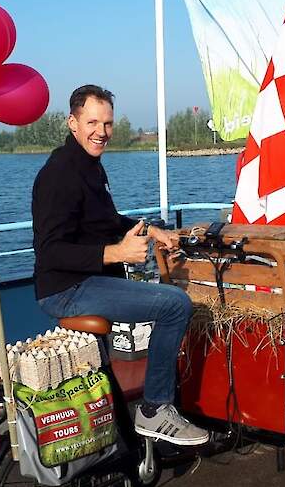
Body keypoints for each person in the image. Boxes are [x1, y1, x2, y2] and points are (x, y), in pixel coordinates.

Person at [31, 84, 209, 449]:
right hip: (67, 289)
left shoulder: (90, 167)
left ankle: (111, 457)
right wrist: (116, 254)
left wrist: (152, 230)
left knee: (105, 378)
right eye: (92, 122)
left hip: (89, 281)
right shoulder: (59, 175)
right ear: (72, 123)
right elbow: (49, 253)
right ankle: (156, 408)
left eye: (108, 123)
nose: (102, 132)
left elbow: (106, 221)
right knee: (175, 304)